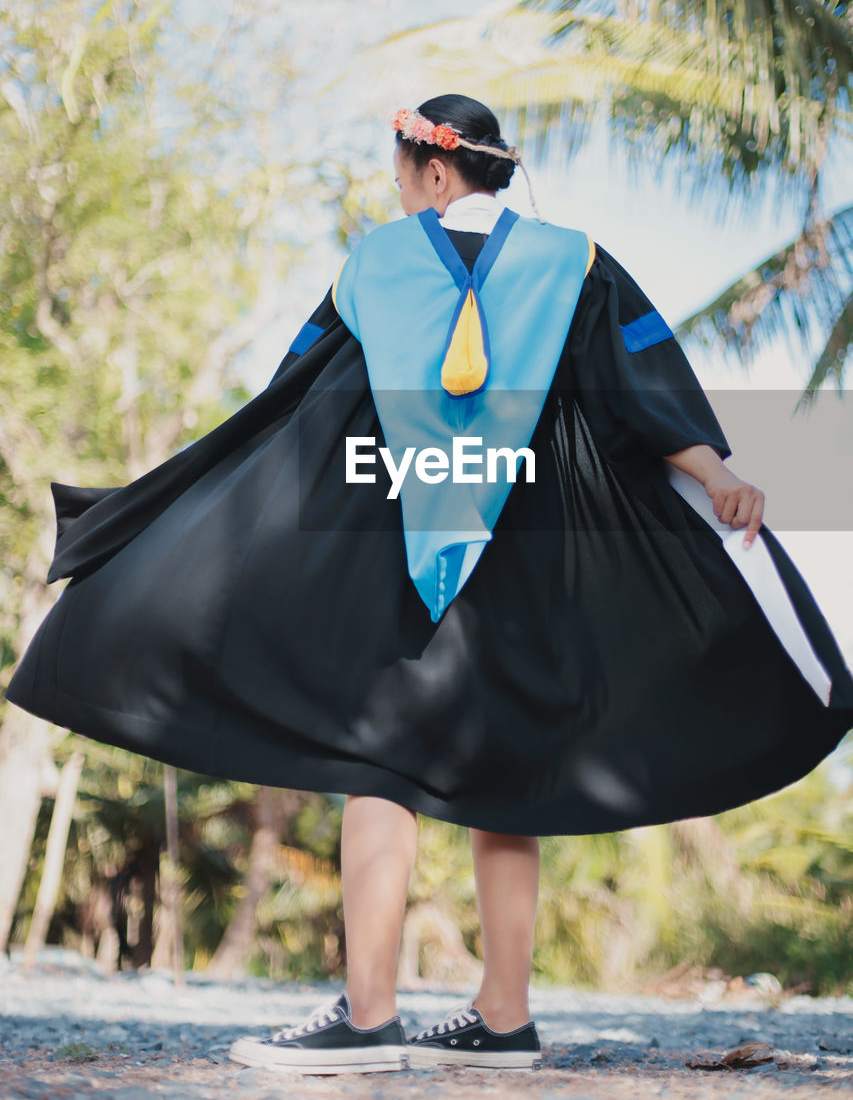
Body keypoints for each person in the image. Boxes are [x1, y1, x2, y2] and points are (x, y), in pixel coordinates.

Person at [6, 94, 853, 1078]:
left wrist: (185, 512)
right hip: (530, 557)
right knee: (503, 771)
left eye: (404, 175)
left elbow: (294, 406)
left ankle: (369, 1017)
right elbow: (640, 389)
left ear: (437, 170)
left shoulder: (374, 264)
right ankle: (503, 1016)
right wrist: (717, 479)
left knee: (377, 760)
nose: (401, 194)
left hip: (405, 544)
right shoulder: (574, 262)